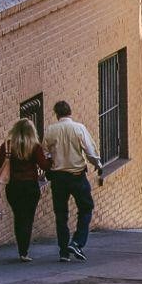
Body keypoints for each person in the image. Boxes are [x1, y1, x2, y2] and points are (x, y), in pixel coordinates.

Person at [43, 101, 102, 263]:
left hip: (58, 178)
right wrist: (97, 165)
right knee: (86, 207)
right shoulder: (79, 128)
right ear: (70, 112)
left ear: (56, 114)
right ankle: (77, 242)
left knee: (61, 214)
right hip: (77, 175)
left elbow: (45, 153)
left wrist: (50, 164)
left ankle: (63, 251)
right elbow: (89, 150)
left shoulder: (50, 130)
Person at [0, 119, 51, 262]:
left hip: (13, 187)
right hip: (30, 186)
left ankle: (21, 249)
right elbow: (44, 166)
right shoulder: (35, 147)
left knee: (18, 217)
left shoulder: (8, 145)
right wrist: (50, 159)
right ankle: (24, 252)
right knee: (28, 218)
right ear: (32, 132)